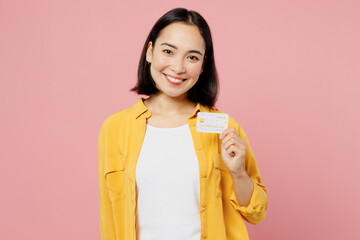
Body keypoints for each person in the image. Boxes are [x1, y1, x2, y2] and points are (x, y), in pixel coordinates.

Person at [98, 8, 267, 240]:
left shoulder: (223, 127)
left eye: (192, 57)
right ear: (150, 51)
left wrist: (237, 172)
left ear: (203, 64)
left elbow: (256, 213)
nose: (178, 67)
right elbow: (109, 219)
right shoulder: (115, 128)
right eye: (168, 51)